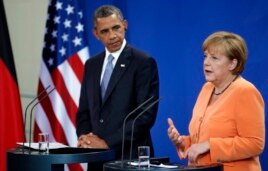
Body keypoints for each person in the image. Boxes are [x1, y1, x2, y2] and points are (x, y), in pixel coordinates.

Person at [76, 4, 159, 169]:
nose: (112, 36)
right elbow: (84, 110)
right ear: (96, 34)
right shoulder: (91, 65)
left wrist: (107, 143)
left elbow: (144, 116)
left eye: (116, 28)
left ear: (125, 25)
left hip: (129, 159)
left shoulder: (143, 62)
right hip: (97, 159)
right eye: (105, 31)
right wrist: (86, 138)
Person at [167, 31, 265, 171]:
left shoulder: (245, 92)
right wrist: (183, 142)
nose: (206, 62)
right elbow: (202, 140)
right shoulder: (207, 89)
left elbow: (255, 143)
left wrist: (209, 145)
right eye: (205, 56)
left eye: (214, 58)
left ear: (232, 64)